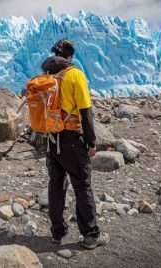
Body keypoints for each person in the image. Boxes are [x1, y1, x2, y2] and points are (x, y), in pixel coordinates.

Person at [41, 39, 110, 249]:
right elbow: (85, 112)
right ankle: (91, 235)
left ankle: (57, 232)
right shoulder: (74, 74)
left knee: (56, 186)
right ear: (70, 56)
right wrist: (91, 142)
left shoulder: (47, 75)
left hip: (52, 140)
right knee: (82, 186)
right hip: (71, 140)